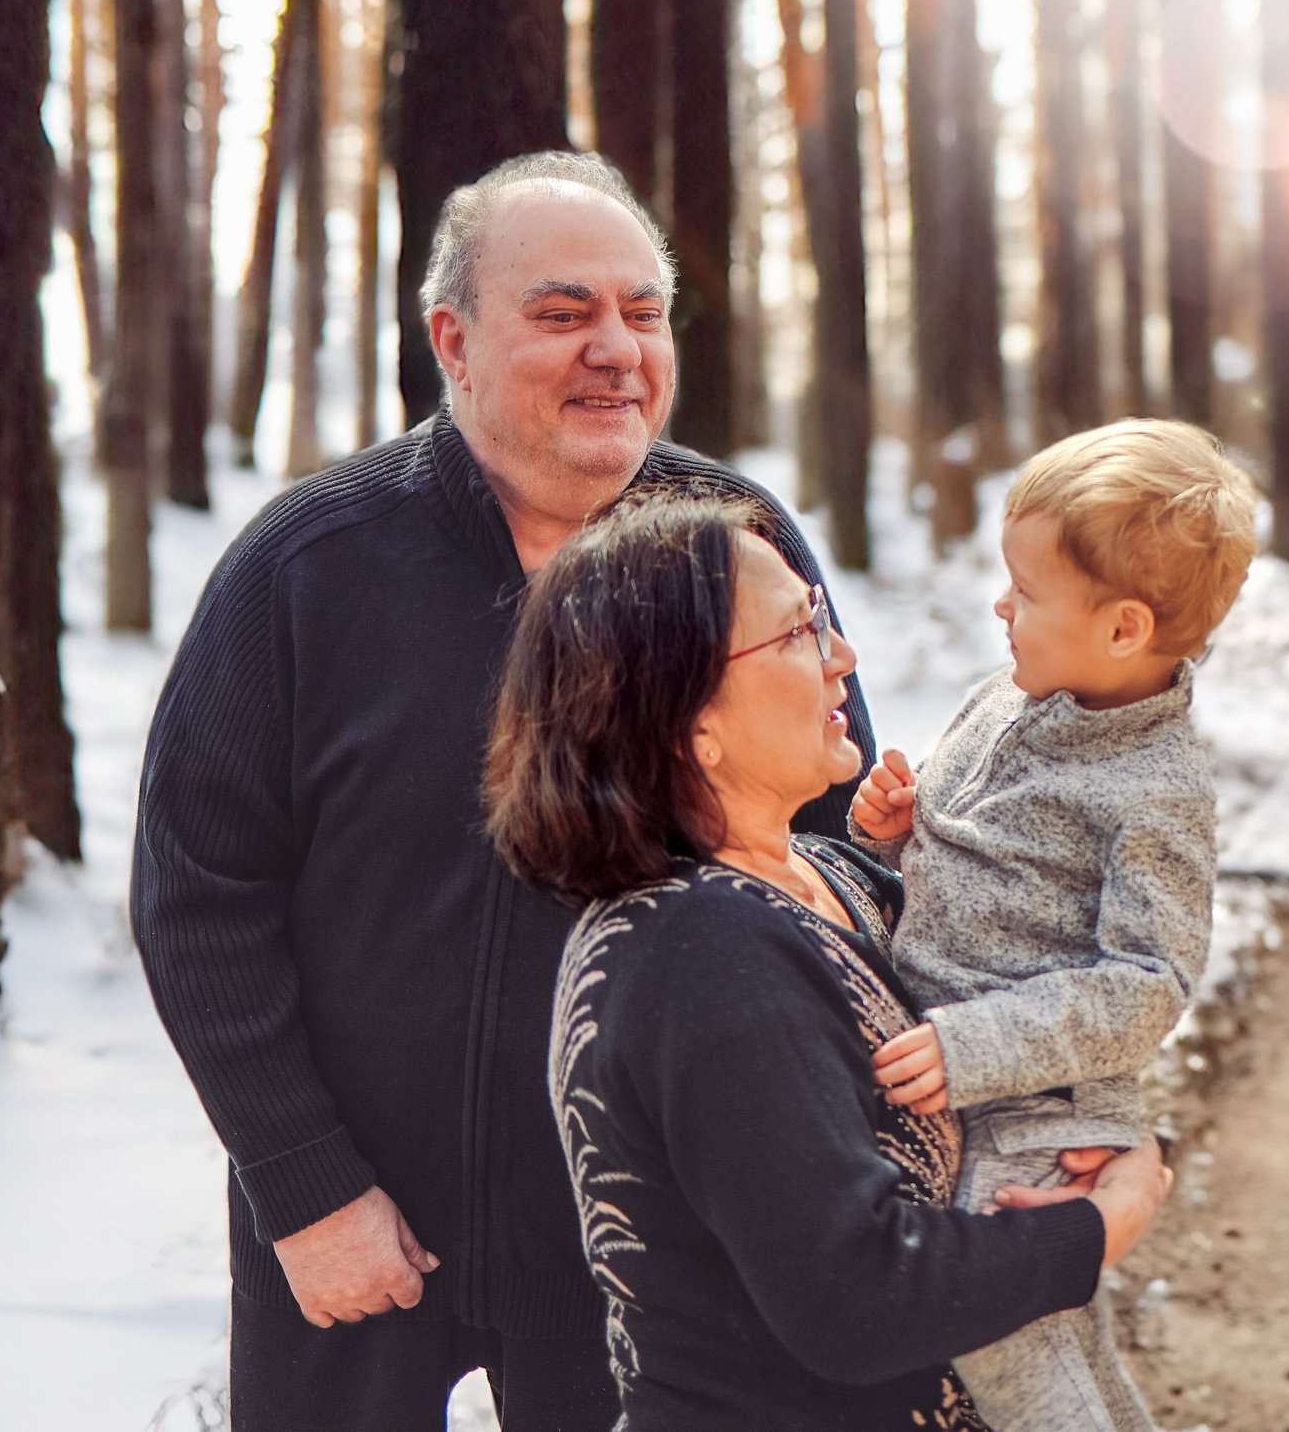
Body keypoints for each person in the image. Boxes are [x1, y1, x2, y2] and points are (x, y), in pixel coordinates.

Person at [130, 152, 870, 1428]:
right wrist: (302, 1184)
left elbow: (826, 839)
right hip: (358, 1222)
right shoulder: (306, 566)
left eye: (643, 311)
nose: (617, 349)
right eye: (564, 310)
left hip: (648, 1230)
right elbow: (198, 892)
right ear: (451, 338)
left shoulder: (730, 546)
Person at [482, 490, 1175, 1430]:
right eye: (799, 632)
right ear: (690, 719)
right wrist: (1097, 1226)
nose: (842, 653)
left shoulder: (828, 874)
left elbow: (1037, 993)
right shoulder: (694, 951)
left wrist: (1100, 1135)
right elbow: (859, 1295)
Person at [849, 419, 1259, 1432]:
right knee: (1055, 1346)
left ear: (1122, 628)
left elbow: (1147, 985)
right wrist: (903, 834)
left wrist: (977, 1045)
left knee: (1010, 1344)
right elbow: (983, 868)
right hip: (956, 1075)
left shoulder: (1153, 790)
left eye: (1026, 593)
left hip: (1036, 1112)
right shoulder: (1012, 693)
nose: (1001, 604)